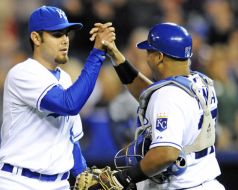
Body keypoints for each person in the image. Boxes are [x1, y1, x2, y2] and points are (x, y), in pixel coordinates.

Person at [0, 5, 115, 190]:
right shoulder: (22, 73)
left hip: (59, 184)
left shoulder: (64, 78)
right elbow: (69, 104)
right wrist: (96, 54)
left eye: (66, 33)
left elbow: (70, 138)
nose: (65, 40)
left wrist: (84, 174)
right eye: (57, 34)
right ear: (36, 37)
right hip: (17, 181)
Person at [88, 22, 225, 189]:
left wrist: (124, 178)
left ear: (159, 57)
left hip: (183, 185)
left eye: (149, 52)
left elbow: (166, 154)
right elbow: (151, 96)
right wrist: (116, 57)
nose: (146, 58)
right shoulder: (199, 82)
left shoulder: (167, 96)